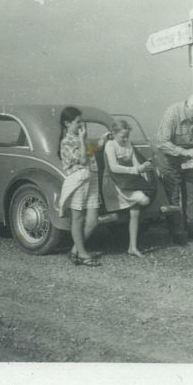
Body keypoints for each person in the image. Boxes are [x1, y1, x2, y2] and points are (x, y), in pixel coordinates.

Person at [155, 93, 193, 244]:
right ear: (188, 107)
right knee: (173, 194)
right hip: (169, 157)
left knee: (192, 193)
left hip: (190, 157)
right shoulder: (172, 113)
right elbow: (161, 142)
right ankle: (176, 231)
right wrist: (183, 152)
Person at [57, 106, 101, 267]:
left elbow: (90, 154)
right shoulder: (66, 142)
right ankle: (82, 254)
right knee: (78, 218)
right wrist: (83, 140)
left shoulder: (81, 139)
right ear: (67, 123)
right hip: (78, 180)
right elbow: (82, 160)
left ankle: (75, 250)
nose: (81, 125)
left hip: (91, 178)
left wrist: (101, 140)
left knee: (93, 220)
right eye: (78, 122)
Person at [103, 119, 153, 257]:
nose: (125, 139)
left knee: (136, 210)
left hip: (127, 181)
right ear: (114, 133)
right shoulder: (110, 145)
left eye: (127, 136)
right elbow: (113, 167)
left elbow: (135, 162)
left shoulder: (128, 143)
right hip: (114, 182)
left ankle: (132, 246)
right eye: (122, 136)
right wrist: (136, 169)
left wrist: (144, 168)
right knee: (143, 201)